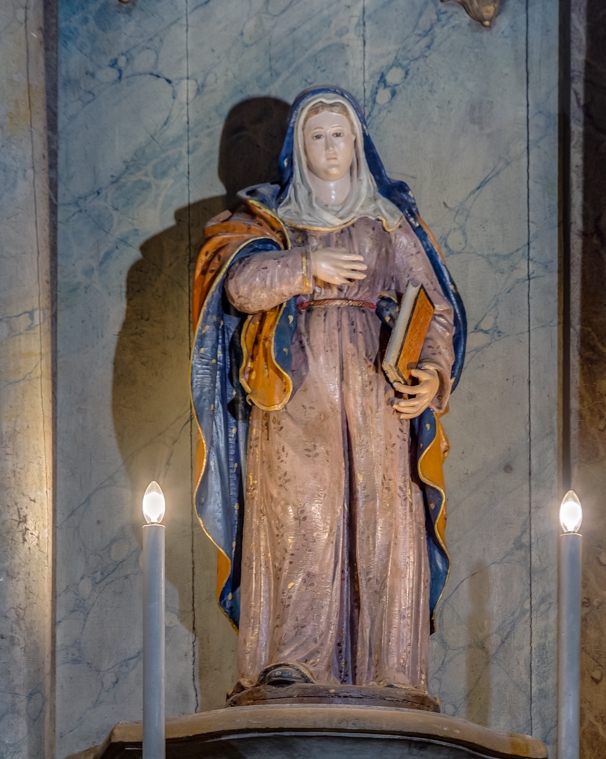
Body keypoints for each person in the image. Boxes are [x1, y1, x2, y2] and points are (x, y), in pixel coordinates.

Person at [191, 87, 466, 693]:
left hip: (375, 384)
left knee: (385, 511)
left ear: (358, 143)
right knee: (300, 509)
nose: (330, 146)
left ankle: (391, 668)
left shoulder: (387, 222)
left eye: (340, 134)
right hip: (295, 382)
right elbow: (239, 287)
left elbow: (436, 308)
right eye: (317, 136)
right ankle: (294, 658)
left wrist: (432, 372)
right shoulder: (272, 222)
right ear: (298, 148)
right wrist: (305, 268)